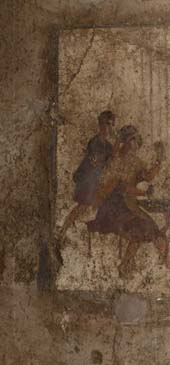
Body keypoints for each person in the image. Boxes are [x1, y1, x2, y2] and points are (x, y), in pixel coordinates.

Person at [88, 125, 169, 277]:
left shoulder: (136, 161)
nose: (136, 144)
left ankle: (155, 264)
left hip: (129, 206)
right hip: (113, 207)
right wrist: (143, 191)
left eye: (138, 141)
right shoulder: (115, 161)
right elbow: (120, 188)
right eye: (133, 140)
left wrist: (159, 161)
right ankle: (126, 266)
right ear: (125, 141)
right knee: (139, 230)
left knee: (152, 229)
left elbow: (148, 177)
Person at [56, 110, 117, 261]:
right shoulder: (95, 142)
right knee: (81, 208)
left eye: (110, 124)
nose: (107, 127)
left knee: (95, 208)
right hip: (89, 180)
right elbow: (95, 163)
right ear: (100, 124)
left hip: (98, 181)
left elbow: (110, 163)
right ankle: (62, 234)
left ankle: (77, 238)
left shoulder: (109, 146)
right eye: (104, 124)